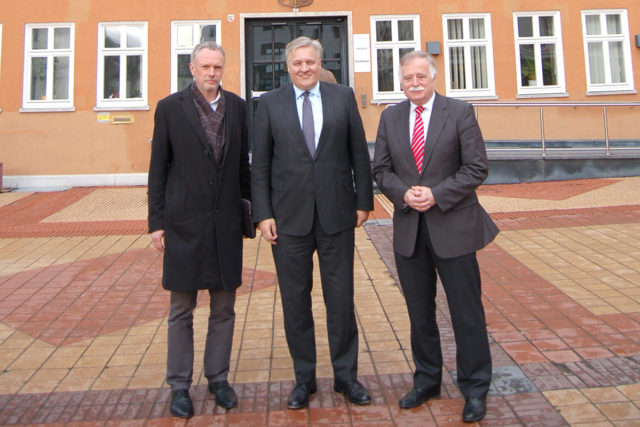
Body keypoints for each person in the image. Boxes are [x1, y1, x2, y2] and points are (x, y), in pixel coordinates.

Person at [372, 51, 499, 423]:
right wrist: (403, 192)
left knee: (466, 312)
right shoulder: (390, 117)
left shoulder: (459, 112)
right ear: (401, 81)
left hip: (454, 228)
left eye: (420, 77)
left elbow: (477, 167)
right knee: (419, 314)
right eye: (407, 77)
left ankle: (475, 387)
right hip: (410, 231)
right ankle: (427, 380)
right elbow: (381, 168)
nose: (414, 83)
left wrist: (437, 194)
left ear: (433, 78)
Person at [251, 36, 373, 410]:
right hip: (288, 221)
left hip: (337, 215)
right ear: (287, 67)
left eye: (310, 62)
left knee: (340, 300)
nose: (304, 68)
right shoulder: (269, 104)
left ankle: (346, 377)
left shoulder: (343, 98)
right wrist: (263, 214)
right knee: (295, 303)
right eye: (297, 63)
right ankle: (304, 378)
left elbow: (358, 152)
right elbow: (261, 167)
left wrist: (364, 201)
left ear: (320, 64)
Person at [147, 41, 251, 418]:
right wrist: (156, 223)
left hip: (224, 224)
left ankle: (218, 378)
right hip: (184, 223)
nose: (211, 73)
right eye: (205, 67)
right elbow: (158, 168)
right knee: (181, 308)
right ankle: (179, 385)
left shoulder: (238, 108)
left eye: (217, 67)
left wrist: (250, 215)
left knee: (224, 307)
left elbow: (242, 168)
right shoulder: (170, 109)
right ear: (191, 68)